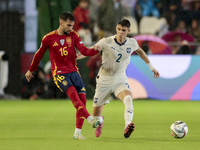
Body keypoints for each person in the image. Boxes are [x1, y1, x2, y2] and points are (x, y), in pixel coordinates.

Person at [25, 12, 102, 140]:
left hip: (73, 71)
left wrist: (95, 49)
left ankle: (77, 133)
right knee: (73, 96)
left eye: (72, 26)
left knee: (82, 100)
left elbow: (84, 51)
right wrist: (31, 70)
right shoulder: (48, 38)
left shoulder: (74, 35)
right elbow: (38, 55)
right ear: (61, 23)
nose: (70, 28)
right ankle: (90, 120)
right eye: (68, 25)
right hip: (59, 73)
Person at [78, 19, 160, 138]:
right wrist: (75, 57)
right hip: (104, 80)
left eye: (123, 30)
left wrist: (151, 67)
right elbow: (90, 51)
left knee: (128, 98)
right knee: (95, 118)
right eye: (119, 29)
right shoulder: (106, 41)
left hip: (120, 79)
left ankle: (127, 125)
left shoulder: (132, 42)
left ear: (128, 31)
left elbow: (140, 51)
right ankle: (100, 121)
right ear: (116, 28)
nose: (120, 32)